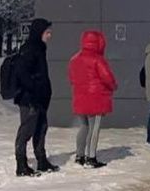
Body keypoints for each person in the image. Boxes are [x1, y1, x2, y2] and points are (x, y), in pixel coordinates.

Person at [13, 18, 59, 176]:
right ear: (39, 32)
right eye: (47, 32)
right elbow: (23, 73)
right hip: (30, 98)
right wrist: (34, 89)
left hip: (40, 98)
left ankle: (42, 160)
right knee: (27, 130)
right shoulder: (30, 49)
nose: (49, 35)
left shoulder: (39, 48)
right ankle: (21, 163)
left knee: (41, 128)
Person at [68, 30, 116, 168]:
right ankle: (91, 157)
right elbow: (108, 78)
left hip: (80, 98)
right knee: (94, 129)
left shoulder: (75, 59)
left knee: (84, 127)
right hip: (96, 99)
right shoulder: (98, 59)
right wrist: (113, 86)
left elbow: (72, 78)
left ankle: (79, 155)